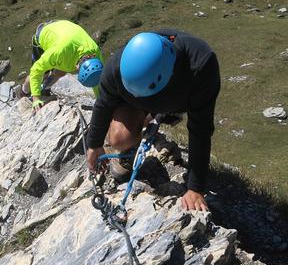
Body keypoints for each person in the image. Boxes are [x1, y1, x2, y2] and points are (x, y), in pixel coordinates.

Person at [85, 30, 220, 212]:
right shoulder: (116, 68)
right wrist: (94, 144)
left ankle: (165, 114)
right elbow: (103, 104)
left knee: (165, 110)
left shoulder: (201, 65)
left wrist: (195, 187)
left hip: (177, 96)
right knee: (119, 139)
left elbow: (200, 129)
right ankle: (131, 140)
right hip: (144, 99)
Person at [18, 20, 104, 110]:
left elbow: (98, 80)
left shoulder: (95, 53)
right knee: (43, 74)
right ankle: (24, 92)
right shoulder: (58, 52)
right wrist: (36, 98)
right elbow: (36, 70)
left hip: (64, 30)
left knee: (61, 72)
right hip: (44, 34)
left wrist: (101, 101)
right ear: (78, 67)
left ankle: (45, 88)